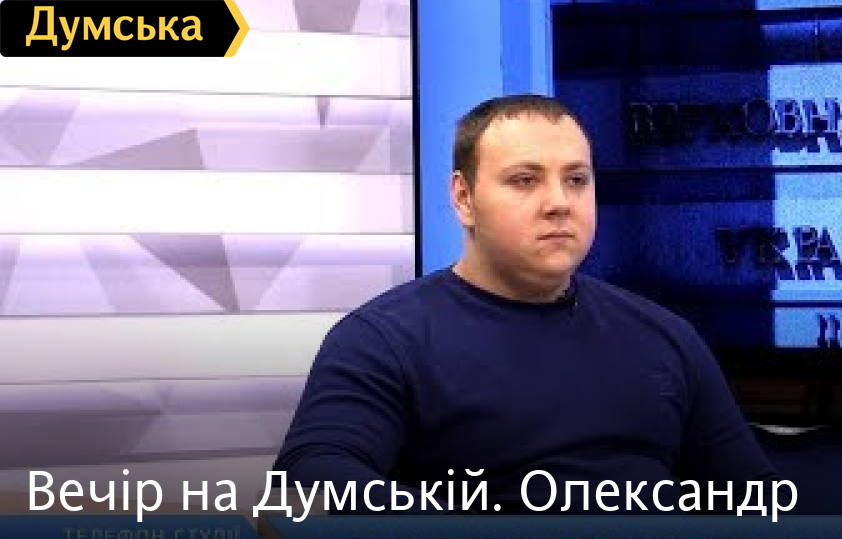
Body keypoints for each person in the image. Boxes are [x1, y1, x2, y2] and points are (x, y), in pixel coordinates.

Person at [272, 94, 778, 513]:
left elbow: (757, 505)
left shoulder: (665, 336)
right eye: (525, 180)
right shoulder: (383, 339)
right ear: (464, 198)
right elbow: (315, 480)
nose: (559, 203)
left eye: (576, 180)